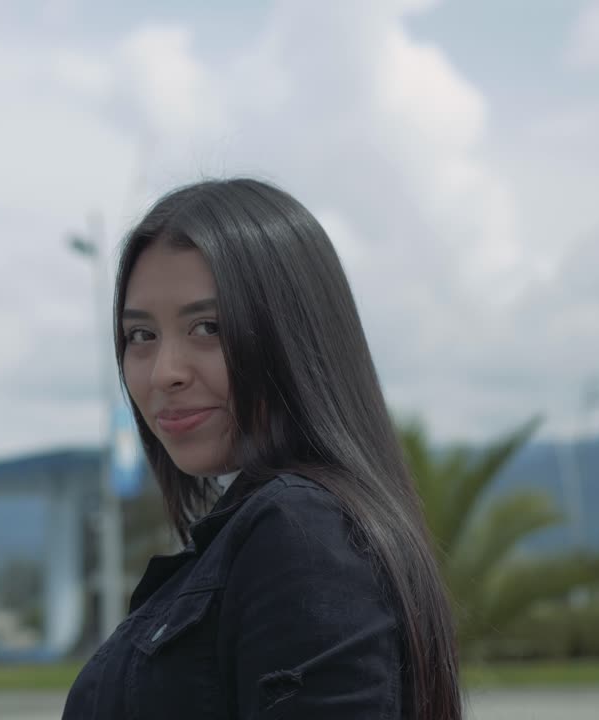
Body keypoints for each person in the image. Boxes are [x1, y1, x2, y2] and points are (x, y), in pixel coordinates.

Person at [62, 179, 461, 719]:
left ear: (293, 335)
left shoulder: (303, 532)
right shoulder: (280, 530)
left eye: (208, 327)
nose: (164, 373)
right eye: (141, 336)